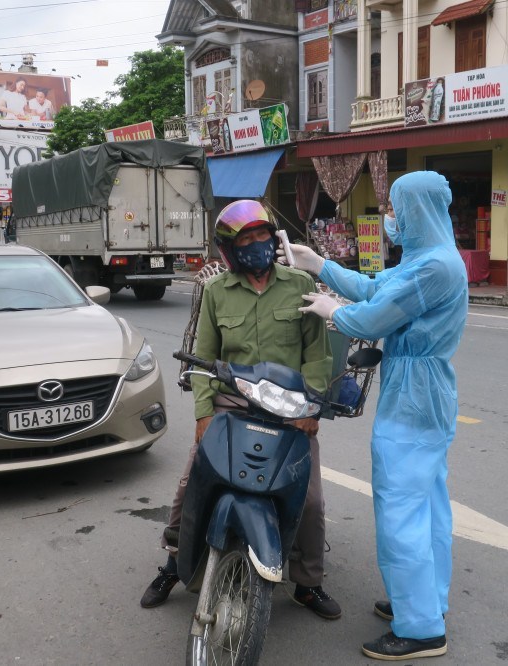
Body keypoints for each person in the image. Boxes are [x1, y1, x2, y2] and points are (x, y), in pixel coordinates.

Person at [283, 171, 468, 661]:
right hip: (425, 393)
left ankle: (421, 629)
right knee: (427, 504)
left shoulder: (433, 269)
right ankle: (427, 601)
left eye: (396, 208)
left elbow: (371, 317)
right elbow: (373, 286)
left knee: (400, 509)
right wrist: (320, 263)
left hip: (414, 398)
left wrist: (329, 310)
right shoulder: (429, 259)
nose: (391, 217)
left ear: (416, 211)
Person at [140, 199, 341, 620]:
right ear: (231, 249)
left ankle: (308, 582)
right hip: (232, 404)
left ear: (273, 237)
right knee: (190, 483)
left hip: (289, 409)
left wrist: (312, 408)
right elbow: (203, 359)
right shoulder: (215, 292)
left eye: (262, 235)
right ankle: (175, 564)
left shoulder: (299, 283)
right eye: (245, 239)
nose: (256, 244)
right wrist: (203, 414)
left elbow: (318, 359)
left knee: (310, 501)